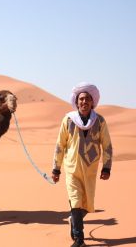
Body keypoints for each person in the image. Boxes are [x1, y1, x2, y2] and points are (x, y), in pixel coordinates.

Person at [51, 82, 113, 247]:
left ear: (92, 102)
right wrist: (56, 168)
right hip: (71, 168)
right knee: (76, 200)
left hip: (90, 170)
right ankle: (79, 239)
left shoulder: (99, 121)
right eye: (81, 99)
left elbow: (107, 145)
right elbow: (60, 145)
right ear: (76, 102)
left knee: (87, 204)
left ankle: (73, 220)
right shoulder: (68, 120)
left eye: (87, 99)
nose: (84, 102)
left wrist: (107, 167)